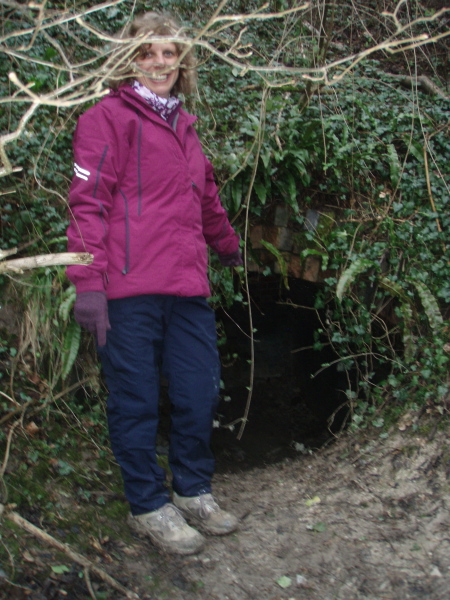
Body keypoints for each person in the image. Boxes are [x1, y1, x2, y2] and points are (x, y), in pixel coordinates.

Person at [66, 11, 242, 556]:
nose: (159, 62)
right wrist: (88, 282)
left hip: (186, 288)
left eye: (169, 53)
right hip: (127, 290)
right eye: (147, 52)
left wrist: (229, 244)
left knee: (197, 391)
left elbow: (204, 196)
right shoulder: (106, 119)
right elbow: (87, 203)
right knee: (136, 400)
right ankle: (148, 504)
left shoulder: (185, 128)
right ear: (129, 58)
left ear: (182, 61)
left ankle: (192, 490)